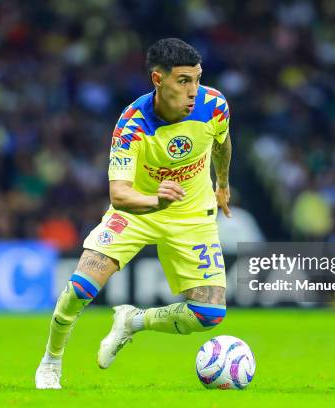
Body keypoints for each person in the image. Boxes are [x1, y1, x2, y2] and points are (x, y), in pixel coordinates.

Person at [35, 38, 232, 389]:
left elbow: (222, 141)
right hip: (139, 211)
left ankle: (133, 321)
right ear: (158, 80)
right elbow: (119, 194)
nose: (194, 91)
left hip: (191, 216)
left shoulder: (214, 105)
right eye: (184, 81)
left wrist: (222, 184)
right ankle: (51, 361)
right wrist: (155, 199)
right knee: (80, 287)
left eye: (198, 79)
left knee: (209, 314)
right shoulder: (133, 126)